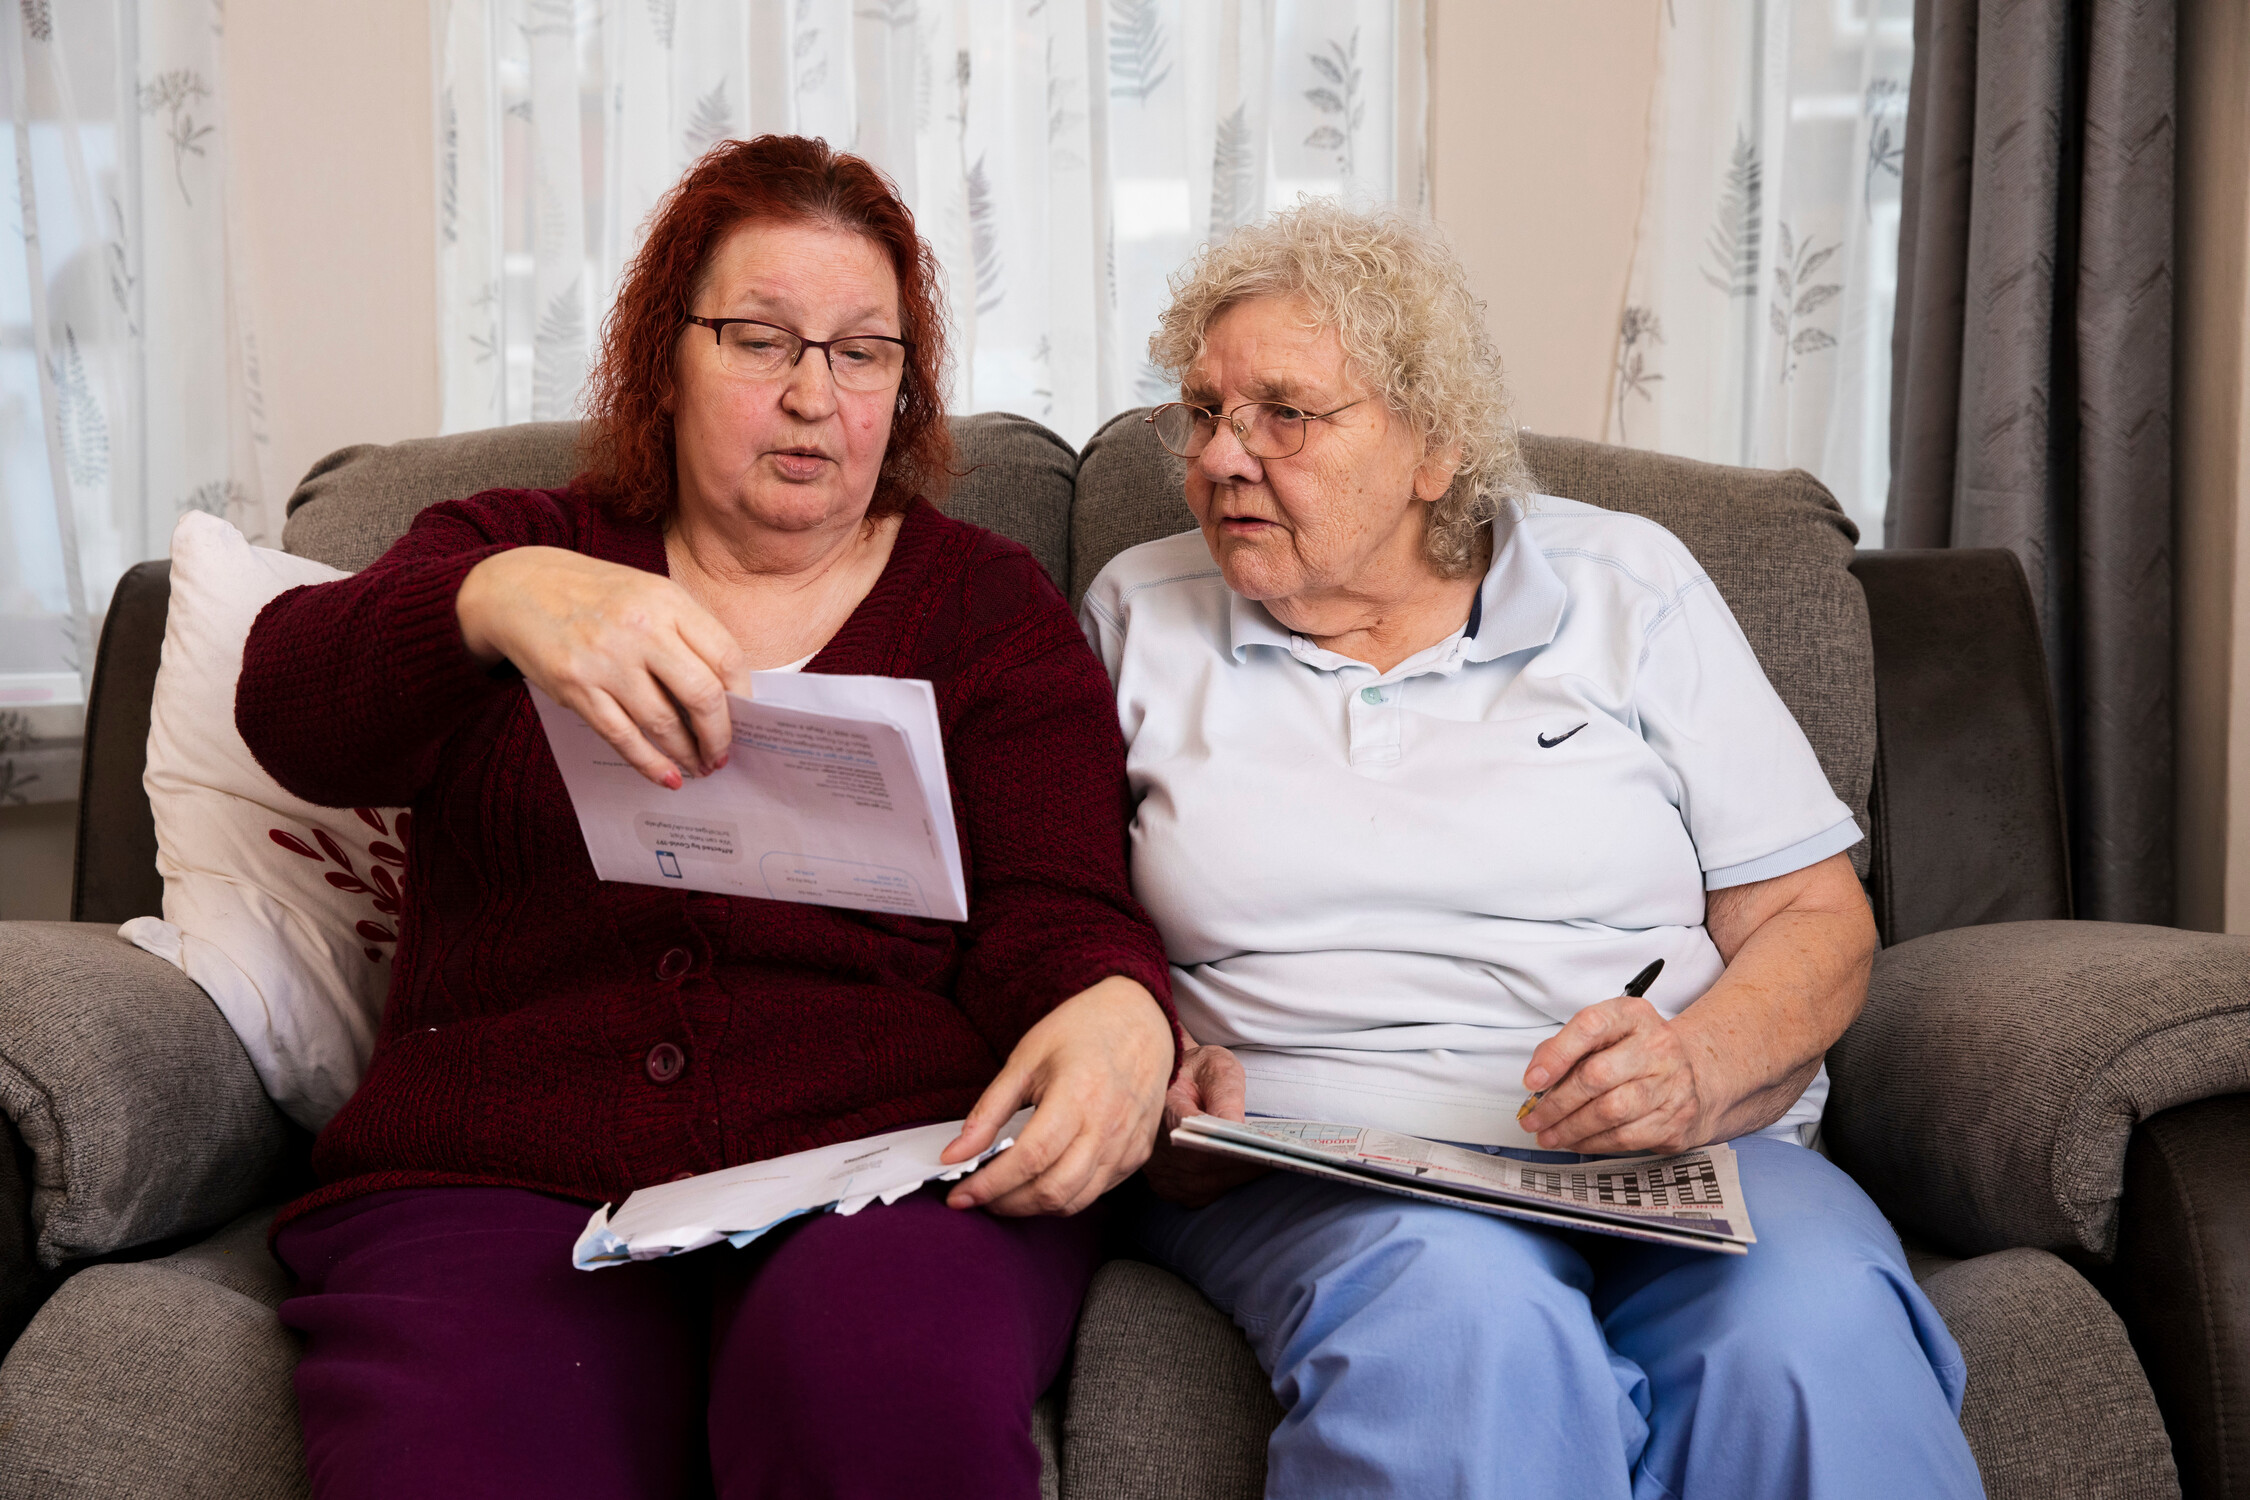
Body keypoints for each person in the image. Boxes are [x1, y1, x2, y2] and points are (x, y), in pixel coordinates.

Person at [237, 135, 1177, 1500]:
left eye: (863, 352)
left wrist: (1113, 1003)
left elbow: (1062, 904)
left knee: (872, 1381)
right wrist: (492, 602)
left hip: (885, 1170)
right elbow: (290, 713)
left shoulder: (984, 611)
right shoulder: (521, 540)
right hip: (504, 1173)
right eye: (760, 339)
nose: (813, 397)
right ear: (662, 356)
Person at [1080, 200, 1985, 1499]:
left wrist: (1694, 1064)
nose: (1224, 454)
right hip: (1322, 1163)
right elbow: (1056, 921)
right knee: (1466, 1328)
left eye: (1286, 413)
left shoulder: (1628, 586)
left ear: (1433, 446)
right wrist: (1153, 1067)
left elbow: (1813, 919)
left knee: (1808, 1341)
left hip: (1684, 1154)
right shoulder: (1136, 614)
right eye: (1204, 410)